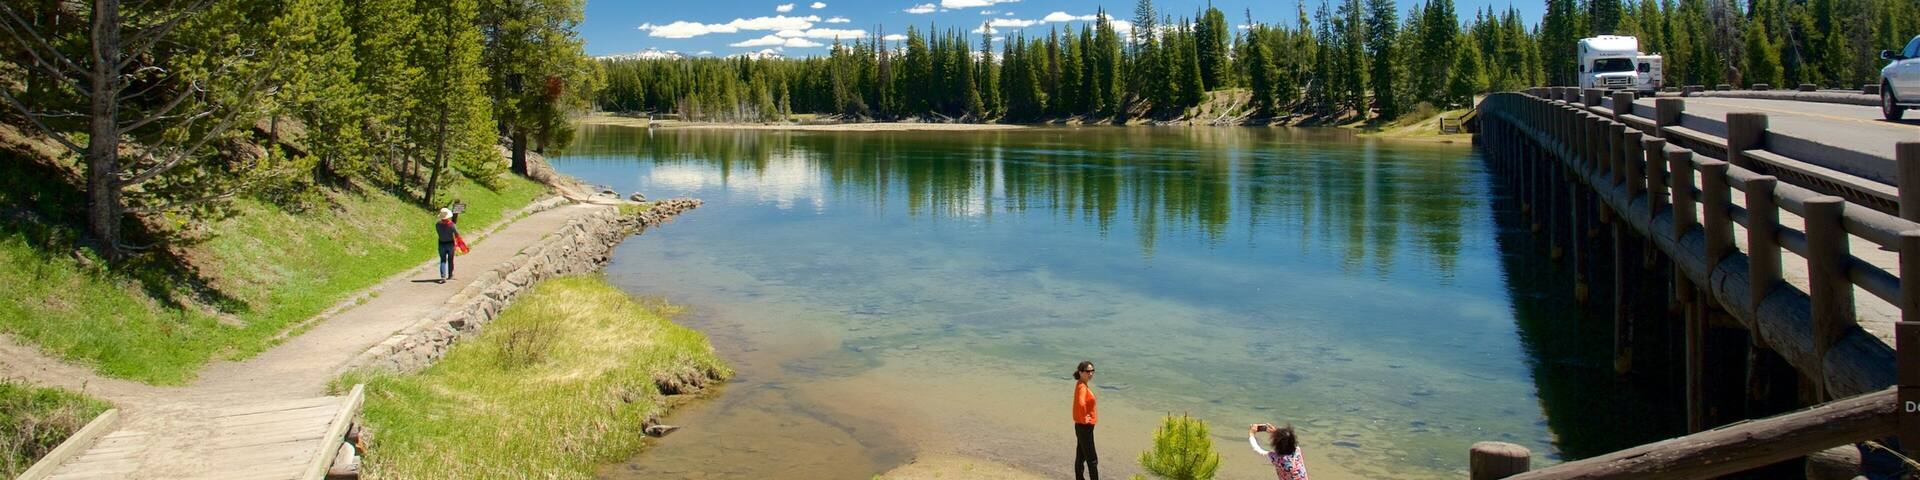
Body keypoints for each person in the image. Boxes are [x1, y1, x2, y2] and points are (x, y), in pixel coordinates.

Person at [1071, 360, 1099, 480]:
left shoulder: (1080, 384)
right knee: (1092, 460)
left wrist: (1082, 417)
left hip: (1080, 426)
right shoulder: (1082, 387)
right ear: (1081, 372)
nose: (1091, 373)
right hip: (1085, 427)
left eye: (1092, 371)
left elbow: (1081, 403)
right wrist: (1085, 417)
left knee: (1081, 456)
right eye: (1088, 371)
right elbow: (1081, 403)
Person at [435, 208, 463, 284]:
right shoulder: (452, 225)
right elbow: (457, 234)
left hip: (441, 243)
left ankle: (443, 276)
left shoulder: (437, 225)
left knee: (443, 260)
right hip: (450, 243)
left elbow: (438, 232)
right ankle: (450, 275)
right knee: (450, 259)